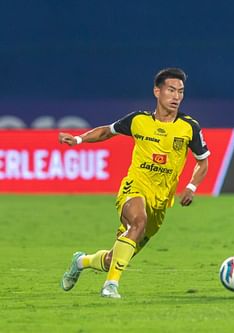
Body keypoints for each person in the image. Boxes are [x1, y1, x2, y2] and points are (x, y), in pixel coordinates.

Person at [59, 68, 210, 299]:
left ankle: (80, 261)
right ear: (157, 91)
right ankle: (111, 286)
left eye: (180, 91)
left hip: (160, 203)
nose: (176, 96)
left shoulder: (189, 127)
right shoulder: (138, 120)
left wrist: (191, 186)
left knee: (114, 257)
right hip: (135, 186)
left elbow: (203, 162)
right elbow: (106, 132)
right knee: (137, 222)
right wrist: (78, 139)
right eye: (171, 90)